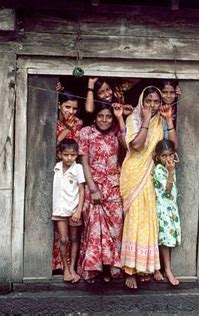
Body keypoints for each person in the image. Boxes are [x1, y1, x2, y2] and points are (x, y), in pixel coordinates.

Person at [119, 86, 177, 289]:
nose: (152, 105)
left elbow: (173, 145)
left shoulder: (161, 122)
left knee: (148, 220)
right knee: (134, 219)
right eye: (148, 101)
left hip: (150, 176)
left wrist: (168, 120)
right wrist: (145, 120)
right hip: (133, 175)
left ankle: (144, 267)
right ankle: (129, 270)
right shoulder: (133, 119)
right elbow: (137, 146)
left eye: (156, 101)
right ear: (142, 102)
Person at [76, 102, 126, 283]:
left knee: (115, 228)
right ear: (95, 117)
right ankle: (95, 269)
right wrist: (93, 188)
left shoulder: (115, 135)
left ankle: (110, 267)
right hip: (94, 187)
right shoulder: (86, 133)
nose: (104, 120)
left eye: (108, 116)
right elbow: (84, 162)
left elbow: (129, 144)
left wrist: (120, 116)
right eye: (101, 116)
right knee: (95, 229)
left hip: (113, 187)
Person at [53, 91, 83, 272]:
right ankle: (61, 267)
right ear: (59, 106)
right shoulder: (54, 122)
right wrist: (67, 129)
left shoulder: (79, 125)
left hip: (73, 178)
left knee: (73, 235)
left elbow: (76, 150)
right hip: (57, 175)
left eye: (74, 108)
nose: (71, 111)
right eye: (67, 107)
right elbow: (53, 145)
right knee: (61, 236)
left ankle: (72, 267)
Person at [52, 139, 85, 283]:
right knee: (64, 240)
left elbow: (82, 190)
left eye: (72, 155)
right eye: (66, 155)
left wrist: (78, 210)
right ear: (60, 155)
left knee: (74, 239)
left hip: (73, 210)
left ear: (77, 155)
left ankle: (73, 268)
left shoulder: (78, 168)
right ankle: (65, 268)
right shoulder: (57, 167)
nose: (69, 158)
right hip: (60, 210)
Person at [153, 139, 181, 286]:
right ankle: (165, 270)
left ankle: (160, 269)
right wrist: (170, 173)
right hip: (162, 209)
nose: (168, 159)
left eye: (170, 155)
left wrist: (171, 170)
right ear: (158, 157)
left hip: (170, 208)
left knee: (165, 240)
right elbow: (167, 190)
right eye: (164, 156)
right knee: (162, 241)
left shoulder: (170, 167)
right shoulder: (159, 169)